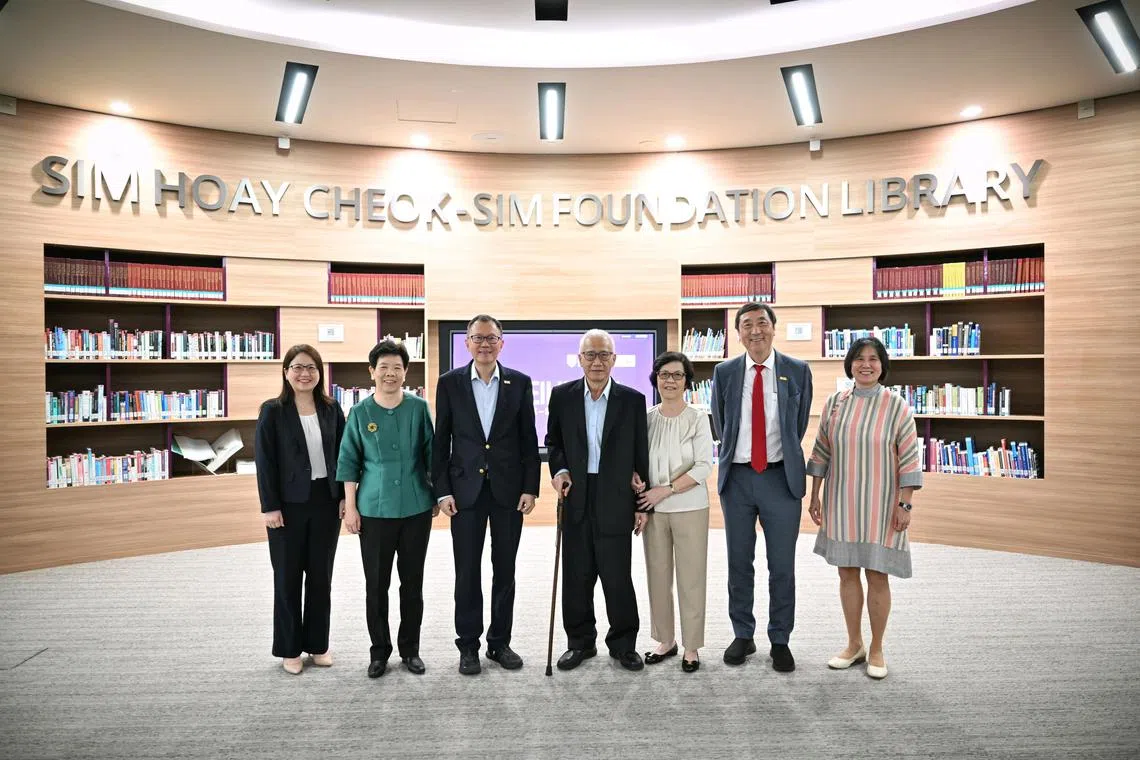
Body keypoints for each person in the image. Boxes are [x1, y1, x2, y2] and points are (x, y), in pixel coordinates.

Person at [807, 336, 922, 680]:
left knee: (877, 573)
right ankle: (853, 643)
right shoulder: (835, 403)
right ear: (850, 365)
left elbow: (909, 459)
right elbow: (821, 452)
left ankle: (877, 648)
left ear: (883, 365)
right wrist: (815, 495)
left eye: (873, 359)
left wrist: (905, 503)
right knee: (846, 573)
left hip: (882, 504)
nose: (866, 364)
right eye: (859, 359)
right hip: (841, 500)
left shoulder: (897, 406)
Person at [433, 314, 541, 675]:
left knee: (505, 570)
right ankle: (468, 646)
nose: (484, 344)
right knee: (466, 572)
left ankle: (499, 643)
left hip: (509, 491)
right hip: (464, 492)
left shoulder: (520, 383)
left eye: (491, 338)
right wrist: (442, 491)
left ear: (501, 343)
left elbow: (529, 439)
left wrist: (530, 487)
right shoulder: (449, 383)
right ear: (466, 343)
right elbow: (441, 441)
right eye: (477, 338)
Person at [710, 302, 813, 673]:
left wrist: (773, 458)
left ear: (774, 327)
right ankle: (743, 633)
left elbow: (796, 427)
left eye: (762, 323)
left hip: (779, 478)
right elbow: (721, 425)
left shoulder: (797, 371)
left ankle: (780, 638)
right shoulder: (724, 372)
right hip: (736, 480)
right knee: (739, 562)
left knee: (781, 565)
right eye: (747, 325)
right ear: (738, 334)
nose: (755, 331)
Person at [545, 328, 650, 672]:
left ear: (614, 359)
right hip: (575, 496)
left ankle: (623, 644)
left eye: (604, 354)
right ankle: (580, 642)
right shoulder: (561, 396)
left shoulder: (632, 400)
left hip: (616, 498)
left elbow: (640, 455)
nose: (597, 362)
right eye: (590, 355)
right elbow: (554, 442)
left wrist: (640, 505)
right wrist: (559, 471)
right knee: (576, 576)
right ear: (579, 359)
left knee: (617, 577)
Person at [337, 339, 437, 679]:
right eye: (383, 368)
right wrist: (350, 508)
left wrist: (435, 495)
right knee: (375, 585)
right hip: (374, 510)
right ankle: (379, 651)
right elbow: (349, 462)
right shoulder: (360, 413)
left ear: (406, 372)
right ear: (372, 372)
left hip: (415, 508)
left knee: (412, 584)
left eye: (397, 368)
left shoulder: (419, 408)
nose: (390, 374)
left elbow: (430, 455)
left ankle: (411, 649)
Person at [254, 344, 346, 675]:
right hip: (287, 507)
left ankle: (318, 644)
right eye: (297, 367)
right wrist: (270, 506)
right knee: (288, 578)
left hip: (326, 501)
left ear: (320, 373)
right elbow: (264, 463)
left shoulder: (331, 409)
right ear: (286, 372)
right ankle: (290, 648)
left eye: (311, 367)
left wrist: (345, 497)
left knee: (321, 577)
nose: (304, 373)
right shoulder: (272, 411)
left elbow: (344, 456)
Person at [633, 351, 713, 673]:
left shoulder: (698, 418)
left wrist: (665, 490)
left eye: (677, 375)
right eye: (664, 374)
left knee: (691, 579)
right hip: (653, 511)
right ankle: (665, 640)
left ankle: (691, 646)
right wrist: (637, 481)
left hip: (690, 507)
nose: (670, 380)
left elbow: (704, 466)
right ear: (655, 379)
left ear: (686, 381)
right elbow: (638, 461)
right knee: (658, 577)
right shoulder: (647, 419)